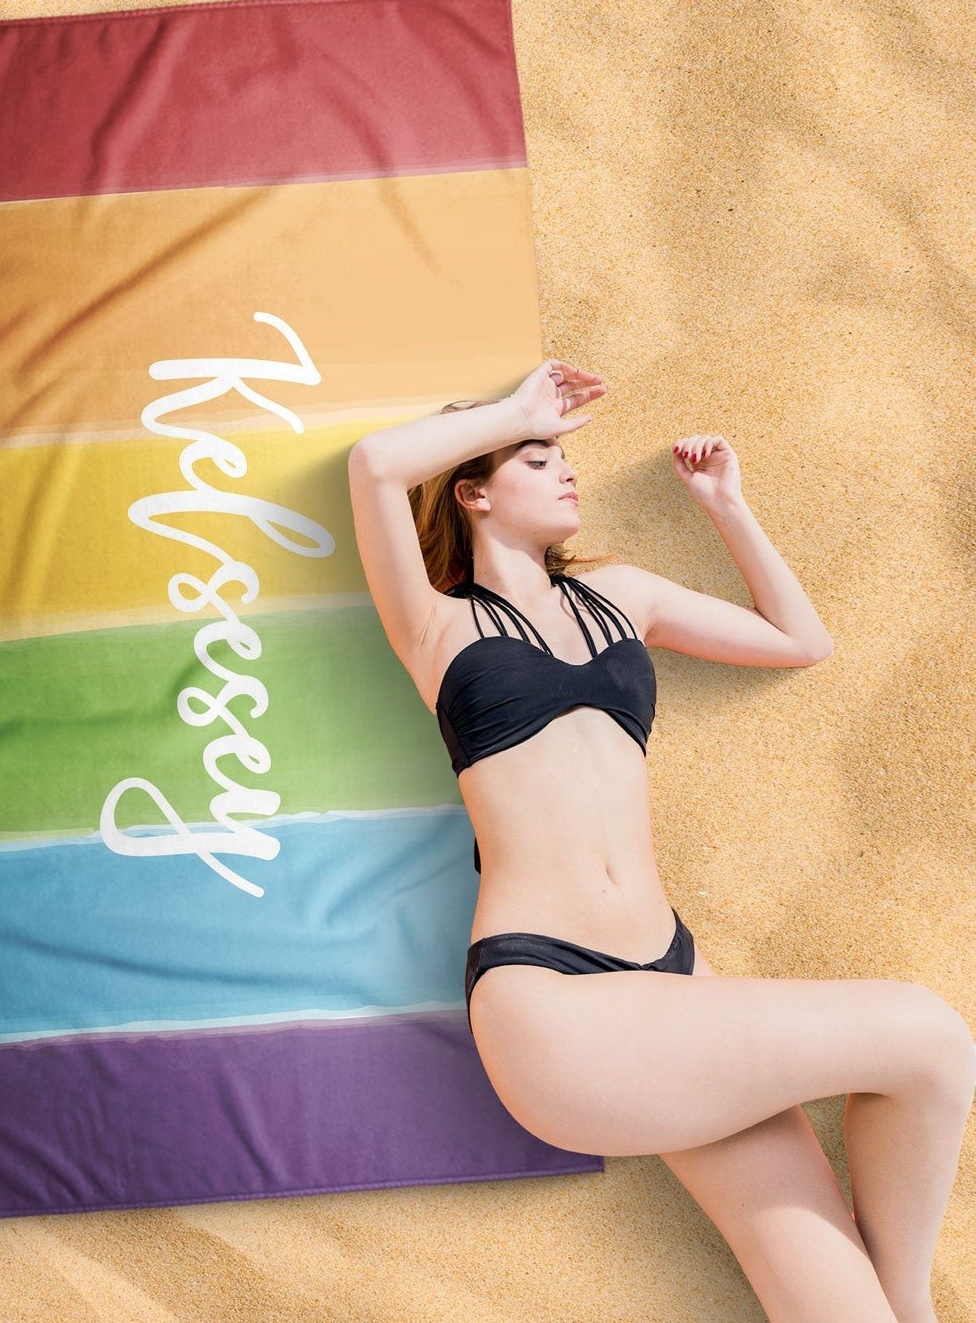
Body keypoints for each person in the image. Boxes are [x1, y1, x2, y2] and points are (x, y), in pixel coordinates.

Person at [346, 358, 975, 1323]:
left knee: (840, 1308)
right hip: (551, 1003)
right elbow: (375, 465)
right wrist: (512, 407)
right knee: (926, 1036)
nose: (565, 471)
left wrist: (728, 504)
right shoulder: (434, 625)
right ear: (472, 491)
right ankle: (909, 1300)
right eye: (534, 456)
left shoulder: (620, 598)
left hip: (673, 981)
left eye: (560, 455)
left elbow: (800, 641)